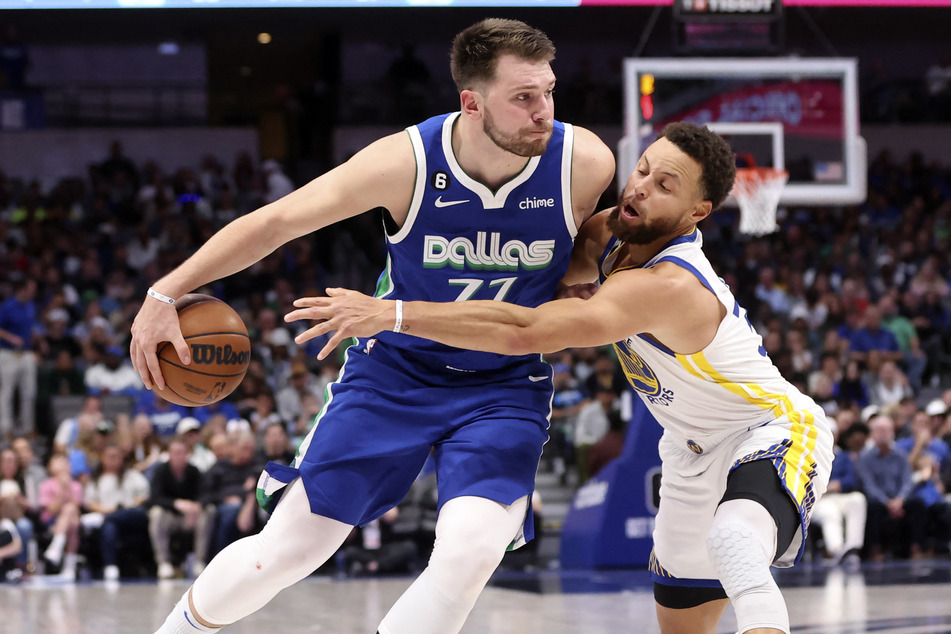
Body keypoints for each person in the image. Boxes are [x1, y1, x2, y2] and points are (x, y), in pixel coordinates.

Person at [131, 18, 614, 634]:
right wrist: (164, 291)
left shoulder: (586, 161)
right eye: (523, 97)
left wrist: (584, 273)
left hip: (504, 385)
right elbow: (277, 222)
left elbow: (593, 250)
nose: (543, 111)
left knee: (468, 553)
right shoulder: (405, 162)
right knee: (285, 553)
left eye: (548, 91)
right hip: (394, 374)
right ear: (471, 102)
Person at [294, 122, 834, 634]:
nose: (641, 187)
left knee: (735, 541)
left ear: (698, 212)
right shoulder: (609, 235)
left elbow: (526, 328)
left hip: (769, 428)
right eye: (643, 169)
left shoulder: (668, 285)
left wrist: (393, 313)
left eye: (664, 185)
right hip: (689, 451)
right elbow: (524, 282)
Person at [81, 442, 151, 581]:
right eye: (110, 457)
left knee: (114, 519)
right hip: (108, 514)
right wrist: (107, 510)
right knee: (110, 525)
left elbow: (145, 494)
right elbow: (90, 502)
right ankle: (110, 566)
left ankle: (110, 565)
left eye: (116, 457)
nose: (113, 460)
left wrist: (131, 504)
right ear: (102, 458)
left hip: (131, 514)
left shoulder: (131, 475)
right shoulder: (96, 480)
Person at [148, 438, 206, 580]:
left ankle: (199, 560)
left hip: (191, 517)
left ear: (188, 454)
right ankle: (163, 562)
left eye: (182, 452)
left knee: (208, 513)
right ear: (169, 454)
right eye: (175, 452)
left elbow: (205, 495)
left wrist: (196, 506)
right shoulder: (160, 471)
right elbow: (154, 498)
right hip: (169, 515)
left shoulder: (194, 471)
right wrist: (176, 503)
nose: (179, 456)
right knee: (156, 514)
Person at [0, 278, 39, 440]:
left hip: (26, 353)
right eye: (31, 289)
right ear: (22, 289)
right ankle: (5, 429)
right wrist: (11, 338)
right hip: (8, 353)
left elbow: (30, 327)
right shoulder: (8, 306)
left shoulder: (30, 306)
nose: (34, 293)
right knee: (7, 392)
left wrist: (40, 341)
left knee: (29, 392)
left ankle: (27, 428)